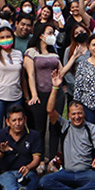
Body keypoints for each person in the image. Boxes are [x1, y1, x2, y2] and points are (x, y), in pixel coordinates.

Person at [40, 98, 95, 190]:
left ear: (84, 113)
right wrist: (55, 88)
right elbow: (50, 110)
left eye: (79, 113)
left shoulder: (91, 128)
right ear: (68, 115)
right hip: (66, 173)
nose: (77, 117)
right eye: (73, 114)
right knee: (44, 181)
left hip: (85, 173)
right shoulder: (65, 126)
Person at [25, 22, 63, 172]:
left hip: (56, 93)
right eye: (49, 33)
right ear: (41, 35)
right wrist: (33, 94)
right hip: (39, 94)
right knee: (39, 128)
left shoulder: (54, 53)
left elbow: (61, 71)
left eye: (53, 33)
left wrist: (74, 58)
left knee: (55, 127)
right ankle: (39, 159)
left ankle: (53, 159)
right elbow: (30, 74)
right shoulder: (31, 52)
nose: (52, 36)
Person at [0, 104, 43, 190]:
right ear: (8, 122)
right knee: (9, 183)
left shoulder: (33, 135)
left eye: (20, 120)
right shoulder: (1, 134)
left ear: (25, 119)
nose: (17, 123)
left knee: (26, 187)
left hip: (27, 172)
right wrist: (1, 150)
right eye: (14, 120)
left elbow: (37, 158)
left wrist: (28, 167)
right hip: (7, 172)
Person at [0, 27, 25, 134]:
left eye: (8, 36)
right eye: (2, 37)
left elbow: (22, 77)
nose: (6, 39)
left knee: (15, 129)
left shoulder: (18, 54)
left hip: (15, 96)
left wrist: (26, 96)